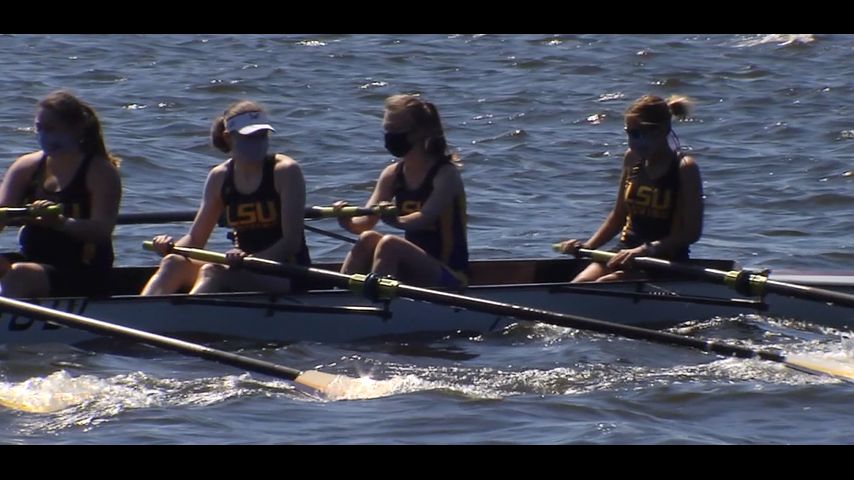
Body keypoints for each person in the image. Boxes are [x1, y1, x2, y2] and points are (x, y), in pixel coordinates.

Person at [141, 100, 310, 295]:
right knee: (172, 263)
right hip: (242, 267)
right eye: (249, 137)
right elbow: (195, 239)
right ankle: (138, 315)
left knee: (213, 271)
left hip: (286, 273)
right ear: (228, 138)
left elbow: (291, 242)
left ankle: (182, 321)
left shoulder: (285, 171)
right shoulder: (219, 177)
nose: (258, 142)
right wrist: (170, 249)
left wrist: (249, 261)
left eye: (262, 135)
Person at [556, 94, 703, 282]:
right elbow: (618, 217)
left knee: (603, 284)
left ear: (663, 130)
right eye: (630, 133)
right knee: (578, 286)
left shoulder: (685, 168)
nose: (634, 142)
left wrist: (644, 250)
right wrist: (587, 247)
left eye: (640, 134)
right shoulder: (632, 159)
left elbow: (691, 233)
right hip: (624, 251)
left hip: (664, 260)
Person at [334, 94, 469, 290]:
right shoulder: (392, 174)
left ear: (420, 133)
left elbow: (425, 217)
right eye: (387, 129)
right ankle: (339, 298)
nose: (390, 136)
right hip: (414, 273)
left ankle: (378, 305)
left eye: (396, 130)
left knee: (390, 244)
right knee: (367, 239)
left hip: (450, 276)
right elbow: (364, 224)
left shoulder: (446, 175)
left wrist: (394, 220)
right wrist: (344, 219)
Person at [0, 90, 122, 298]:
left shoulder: (100, 172)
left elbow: (102, 230)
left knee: (20, 274)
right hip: (34, 261)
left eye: (52, 129)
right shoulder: (25, 167)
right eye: (40, 128)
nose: (45, 136)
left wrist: (59, 222)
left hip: (82, 272)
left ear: (76, 130)